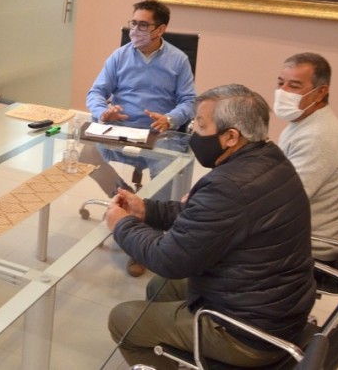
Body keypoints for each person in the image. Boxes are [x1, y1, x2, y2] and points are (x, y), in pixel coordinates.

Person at [105, 84, 315, 370]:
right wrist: (146, 210)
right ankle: (176, 352)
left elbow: (168, 258)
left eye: (201, 125)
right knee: (160, 287)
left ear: (231, 137)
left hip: (249, 334)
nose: (194, 132)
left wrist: (122, 225)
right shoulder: (270, 159)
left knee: (124, 320)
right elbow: (203, 217)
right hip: (277, 306)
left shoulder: (229, 185)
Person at [84, 0, 196, 277]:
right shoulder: (119, 56)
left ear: (161, 29)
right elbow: (95, 92)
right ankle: (125, 198)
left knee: (166, 169)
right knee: (85, 152)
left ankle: (146, 241)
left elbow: (189, 101)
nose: (135, 30)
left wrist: (170, 119)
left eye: (143, 25)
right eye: (133, 23)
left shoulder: (178, 60)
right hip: (121, 128)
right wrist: (102, 112)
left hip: (159, 133)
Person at [275, 53, 338, 270]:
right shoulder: (305, 121)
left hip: (307, 248)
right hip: (297, 232)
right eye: (281, 83)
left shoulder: (318, 137)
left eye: (294, 86)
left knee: (216, 240)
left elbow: (283, 202)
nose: (283, 92)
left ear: (320, 92)